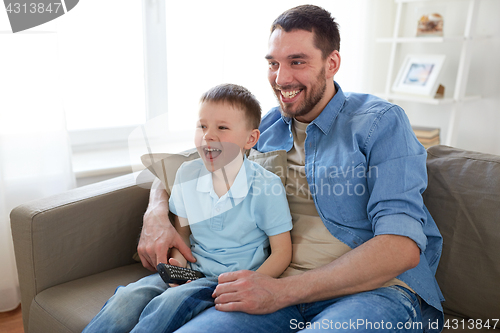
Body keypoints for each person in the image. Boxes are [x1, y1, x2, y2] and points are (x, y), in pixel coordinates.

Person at [139, 5, 445, 333]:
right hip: (272, 287)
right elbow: (184, 165)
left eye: (296, 62)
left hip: (376, 292)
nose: (281, 78)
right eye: (274, 63)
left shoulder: (379, 123)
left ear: (332, 63)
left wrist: (281, 291)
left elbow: (401, 246)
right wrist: (155, 214)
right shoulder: (264, 127)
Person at [83, 84, 293, 333]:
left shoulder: (266, 186)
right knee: (127, 297)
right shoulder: (187, 174)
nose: (208, 136)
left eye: (222, 128)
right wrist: (178, 268)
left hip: (230, 281)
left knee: (169, 304)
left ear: (250, 139)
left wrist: (251, 283)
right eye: (202, 126)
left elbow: (282, 252)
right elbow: (182, 235)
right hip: (192, 273)